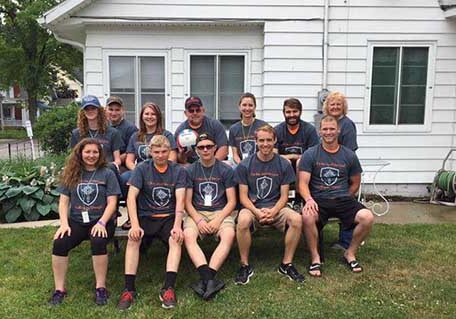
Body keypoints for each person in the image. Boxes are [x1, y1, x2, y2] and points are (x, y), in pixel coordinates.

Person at [298, 115, 374, 277]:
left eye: (332, 129)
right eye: (325, 129)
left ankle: (350, 253)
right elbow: (302, 183)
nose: (328, 132)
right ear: (320, 131)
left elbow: (355, 181)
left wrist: (347, 196)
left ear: (338, 131)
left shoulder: (349, 155)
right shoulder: (310, 154)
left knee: (367, 217)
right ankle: (315, 258)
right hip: (319, 200)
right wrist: (309, 199)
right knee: (307, 216)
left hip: (343, 200)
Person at [117, 135, 186, 310]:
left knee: (175, 239)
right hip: (146, 216)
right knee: (133, 239)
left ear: (170, 151)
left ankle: (168, 288)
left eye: (164, 152)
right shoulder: (141, 169)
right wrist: (134, 224)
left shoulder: (177, 170)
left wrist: (178, 225)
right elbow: (131, 197)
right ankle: (129, 289)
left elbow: (180, 200)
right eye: (157, 152)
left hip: (168, 217)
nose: (161, 155)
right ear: (150, 152)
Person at [49, 138, 121, 306]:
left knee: (98, 240)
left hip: (102, 220)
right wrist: (64, 224)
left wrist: (102, 222)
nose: (91, 155)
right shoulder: (72, 172)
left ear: (100, 154)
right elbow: (63, 202)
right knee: (59, 243)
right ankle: (59, 289)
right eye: (87, 151)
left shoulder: (107, 173)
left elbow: (112, 202)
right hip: (76, 221)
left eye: (95, 152)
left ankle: (100, 288)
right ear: (80, 153)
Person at [234, 124, 304, 284]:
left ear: (275, 141)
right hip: (252, 208)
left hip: (277, 207)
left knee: (297, 219)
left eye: (269, 140)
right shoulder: (245, 164)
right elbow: (243, 197)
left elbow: (284, 196)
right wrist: (257, 212)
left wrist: (273, 211)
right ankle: (244, 265)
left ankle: (286, 264)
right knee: (243, 220)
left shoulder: (283, 164)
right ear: (256, 142)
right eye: (261, 140)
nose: (265, 144)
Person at [183, 133, 236, 300]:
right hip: (196, 212)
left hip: (220, 211)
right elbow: (187, 203)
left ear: (215, 148)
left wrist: (218, 219)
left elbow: (232, 201)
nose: (205, 150)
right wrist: (198, 220)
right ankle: (209, 279)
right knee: (188, 236)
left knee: (228, 235)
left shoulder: (225, 169)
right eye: (201, 147)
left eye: (208, 146)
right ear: (196, 150)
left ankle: (207, 278)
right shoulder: (190, 170)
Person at [322, 91, 358, 250]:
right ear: (327, 107)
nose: (335, 107)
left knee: (346, 205)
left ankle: (346, 241)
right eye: (332, 104)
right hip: (326, 170)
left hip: (344, 171)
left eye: (338, 104)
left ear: (344, 107)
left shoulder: (347, 125)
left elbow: (349, 152)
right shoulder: (326, 122)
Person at [121, 102, 177, 198]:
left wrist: (157, 170)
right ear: (142, 116)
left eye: (153, 114)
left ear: (158, 116)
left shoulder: (166, 135)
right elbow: (129, 161)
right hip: (140, 170)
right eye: (147, 114)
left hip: (161, 170)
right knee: (124, 178)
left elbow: (172, 158)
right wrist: (138, 170)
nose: (150, 117)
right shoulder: (135, 136)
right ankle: (131, 205)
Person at [70, 95, 124, 170]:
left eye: (93, 108)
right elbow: (74, 159)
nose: (90, 111)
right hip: (84, 171)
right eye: (87, 109)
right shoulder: (76, 133)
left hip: (106, 170)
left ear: (99, 110)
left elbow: (117, 160)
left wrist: (108, 167)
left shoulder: (113, 132)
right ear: (83, 112)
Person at [174, 96, 228, 165]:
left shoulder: (214, 125)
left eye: (198, 110)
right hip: (191, 166)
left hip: (215, 162)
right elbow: (177, 157)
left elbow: (223, 149)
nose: (195, 113)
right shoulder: (180, 131)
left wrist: (211, 165)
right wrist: (182, 156)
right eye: (191, 111)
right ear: (185, 113)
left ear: (203, 110)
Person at [274, 98, 319, 167]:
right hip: (282, 169)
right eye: (288, 112)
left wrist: (293, 157)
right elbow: (274, 156)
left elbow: (313, 156)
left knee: (300, 162)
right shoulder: (277, 130)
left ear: (300, 112)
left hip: (305, 168)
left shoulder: (310, 130)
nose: (292, 115)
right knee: (286, 162)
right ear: (284, 113)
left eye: (295, 111)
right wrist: (292, 157)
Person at [228, 93, 267, 165]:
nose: (247, 108)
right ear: (239, 107)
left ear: (255, 107)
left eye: (250, 105)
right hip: (241, 165)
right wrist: (242, 166)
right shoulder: (233, 129)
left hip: (260, 164)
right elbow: (235, 155)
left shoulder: (263, 126)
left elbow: (266, 150)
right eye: (244, 105)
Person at [105, 95, 138, 168]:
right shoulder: (102, 127)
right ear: (105, 110)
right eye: (111, 109)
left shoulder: (131, 128)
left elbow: (130, 153)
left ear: (123, 111)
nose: (114, 113)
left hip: (123, 167)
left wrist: (112, 163)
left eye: (117, 110)